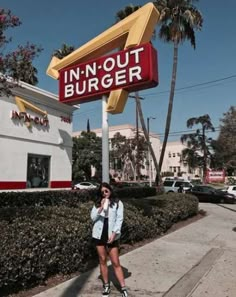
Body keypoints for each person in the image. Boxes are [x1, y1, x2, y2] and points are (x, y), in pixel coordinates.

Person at [90, 182, 128, 297]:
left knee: (115, 262)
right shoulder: (97, 203)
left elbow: (119, 219)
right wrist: (101, 207)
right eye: (102, 192)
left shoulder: (117, 203)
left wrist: (114, 233)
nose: (104, 193)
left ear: (110, 190)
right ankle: (106, 285)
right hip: (99, 233)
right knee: (102, 259)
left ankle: (123, 288)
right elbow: (93, 218)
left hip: (111, 233)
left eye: (106, 191)